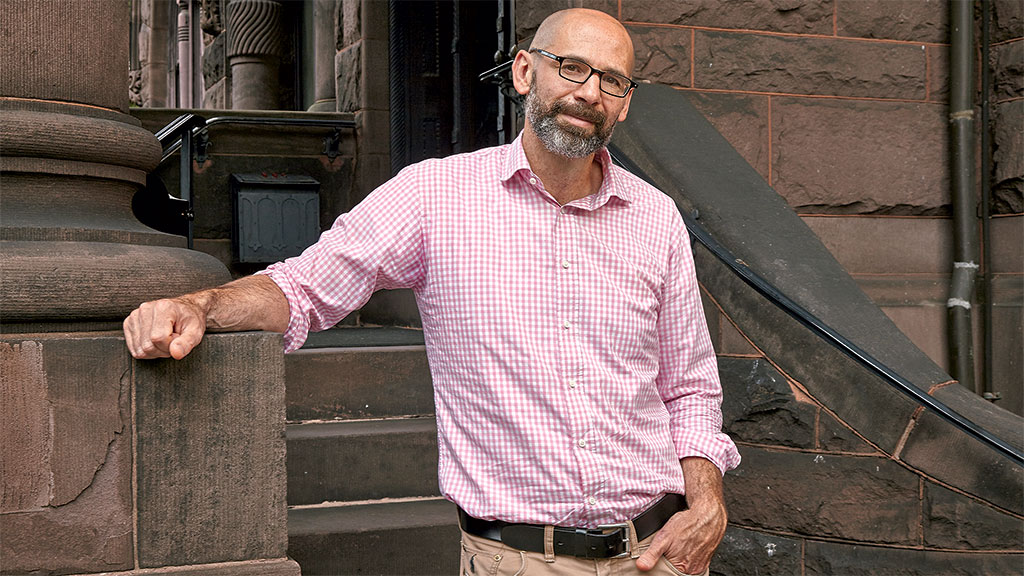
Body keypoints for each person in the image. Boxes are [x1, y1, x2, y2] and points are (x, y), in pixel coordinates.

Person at [123, 8, 739, 575]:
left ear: (625, 105)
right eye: (571, 68)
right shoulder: (434, 197)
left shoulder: (656, 217)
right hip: (518, 561)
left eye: (612, 81)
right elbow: (306, 287)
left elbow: (689, 384)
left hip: (658, 555)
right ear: (525, 71)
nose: (588, 94)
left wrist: (707, 505)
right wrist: (199, 305)